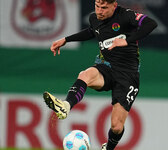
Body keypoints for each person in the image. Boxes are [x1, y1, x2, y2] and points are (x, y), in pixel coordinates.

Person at [43, 0, 157, 149]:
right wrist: (66, 39)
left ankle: (108, 147)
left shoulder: (126, 16)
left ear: (114, 6)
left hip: (127, 75)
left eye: (104, 8)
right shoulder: (94, 18)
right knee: (85, 74)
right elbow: (92, 31)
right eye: (97, 6)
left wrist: (127, 40)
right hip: (107, 67)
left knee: (116, 126)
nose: (99, 11)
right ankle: (66, 106)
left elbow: (151, 24)